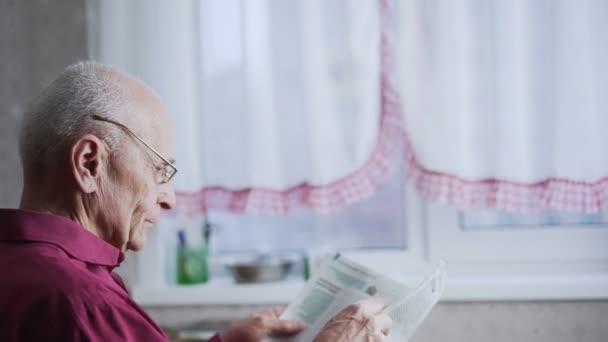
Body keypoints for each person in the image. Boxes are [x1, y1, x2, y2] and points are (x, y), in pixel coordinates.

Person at [0, 61, 392, 341]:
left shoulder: (24, 267)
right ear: (90, 163)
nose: (168, 199)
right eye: (160, 171)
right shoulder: (81, 303)